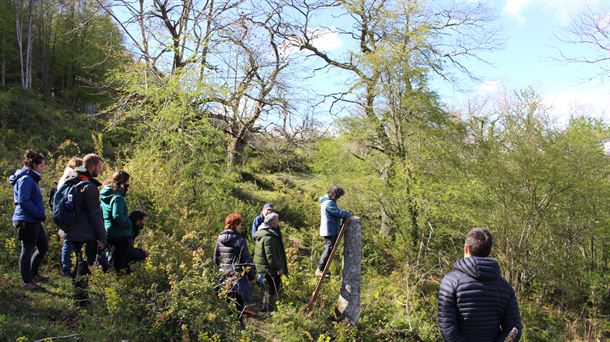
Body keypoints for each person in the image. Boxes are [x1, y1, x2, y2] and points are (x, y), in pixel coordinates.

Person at [438, 228, 522, 342]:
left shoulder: (450, 282)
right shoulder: (505, 286)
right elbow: (514, 328)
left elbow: (447, 327)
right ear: (489, 251)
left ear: (466, 248)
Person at [63, 153, 107, 306]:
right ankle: (81, 301)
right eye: (100, 167)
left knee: (79, 264)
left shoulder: (74, 179)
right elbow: (95, 215)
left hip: (73, 231)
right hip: (85, 233)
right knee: (84, 265)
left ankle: (78, 297)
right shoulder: (88, 186)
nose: (100, 171)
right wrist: (103, 237)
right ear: (92, 166)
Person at [9, 150, 49, 290]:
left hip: (33, 219)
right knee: (27, 250)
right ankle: (27, 282)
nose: (43, 169)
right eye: (42, 166)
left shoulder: (31, 178)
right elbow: (23, 200)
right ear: (34, 165)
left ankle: (33, 273)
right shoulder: (26, 179)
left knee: (43, 247)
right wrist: (38, 213)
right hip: (26, 219)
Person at [214, 213, 255, 321]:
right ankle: (239, 329)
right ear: (236, 225)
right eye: (240, 224)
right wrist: (251, 276)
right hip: (237, 279)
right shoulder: (240, 240)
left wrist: (223, 269)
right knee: (238, 308)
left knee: (225, 306)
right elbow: (247, 260)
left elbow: (216, 258)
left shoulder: (220, 238)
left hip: (223, 277)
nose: (241, 227)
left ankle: (227, 330)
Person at [253, 213, 288, 312]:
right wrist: (278, 268)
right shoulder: (269, 237)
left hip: (263, 266)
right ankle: (269, 309)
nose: (279, 222)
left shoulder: (262, 233)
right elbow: (270, 256)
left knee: (268, 288)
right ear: (272, 223)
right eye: (277, 220)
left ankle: (266, 308)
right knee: (273, 288)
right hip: (269, 268)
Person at [100, 171, 133, 272]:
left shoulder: (104, 194)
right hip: (120, 235)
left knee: (112, 260)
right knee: (121, 263)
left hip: (109, 232)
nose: (128, 185)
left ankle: (112, 281)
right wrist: (129, 223)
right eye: (127, 182)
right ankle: (120, 283)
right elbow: (117, 216)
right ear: (123, 183)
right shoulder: (118, 197)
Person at [316, 186, 350, 278]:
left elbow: (337, 211)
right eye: (339, 196)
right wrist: (348, 214)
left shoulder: (328, 202)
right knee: (329, 250)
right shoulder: (329, 203)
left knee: (329, 249)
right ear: (335, 195)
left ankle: (322, 269)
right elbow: (338, 213)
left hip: (330, 229)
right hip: (330, 230)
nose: (339, 198)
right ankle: (320, 269)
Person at [57, 157, 83, 277]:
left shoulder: (65, 177)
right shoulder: (71, 178)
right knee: (68, 241)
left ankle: (66, 267)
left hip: (64, 212)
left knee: (69, 240)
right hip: (68, 213)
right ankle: (65, 268)